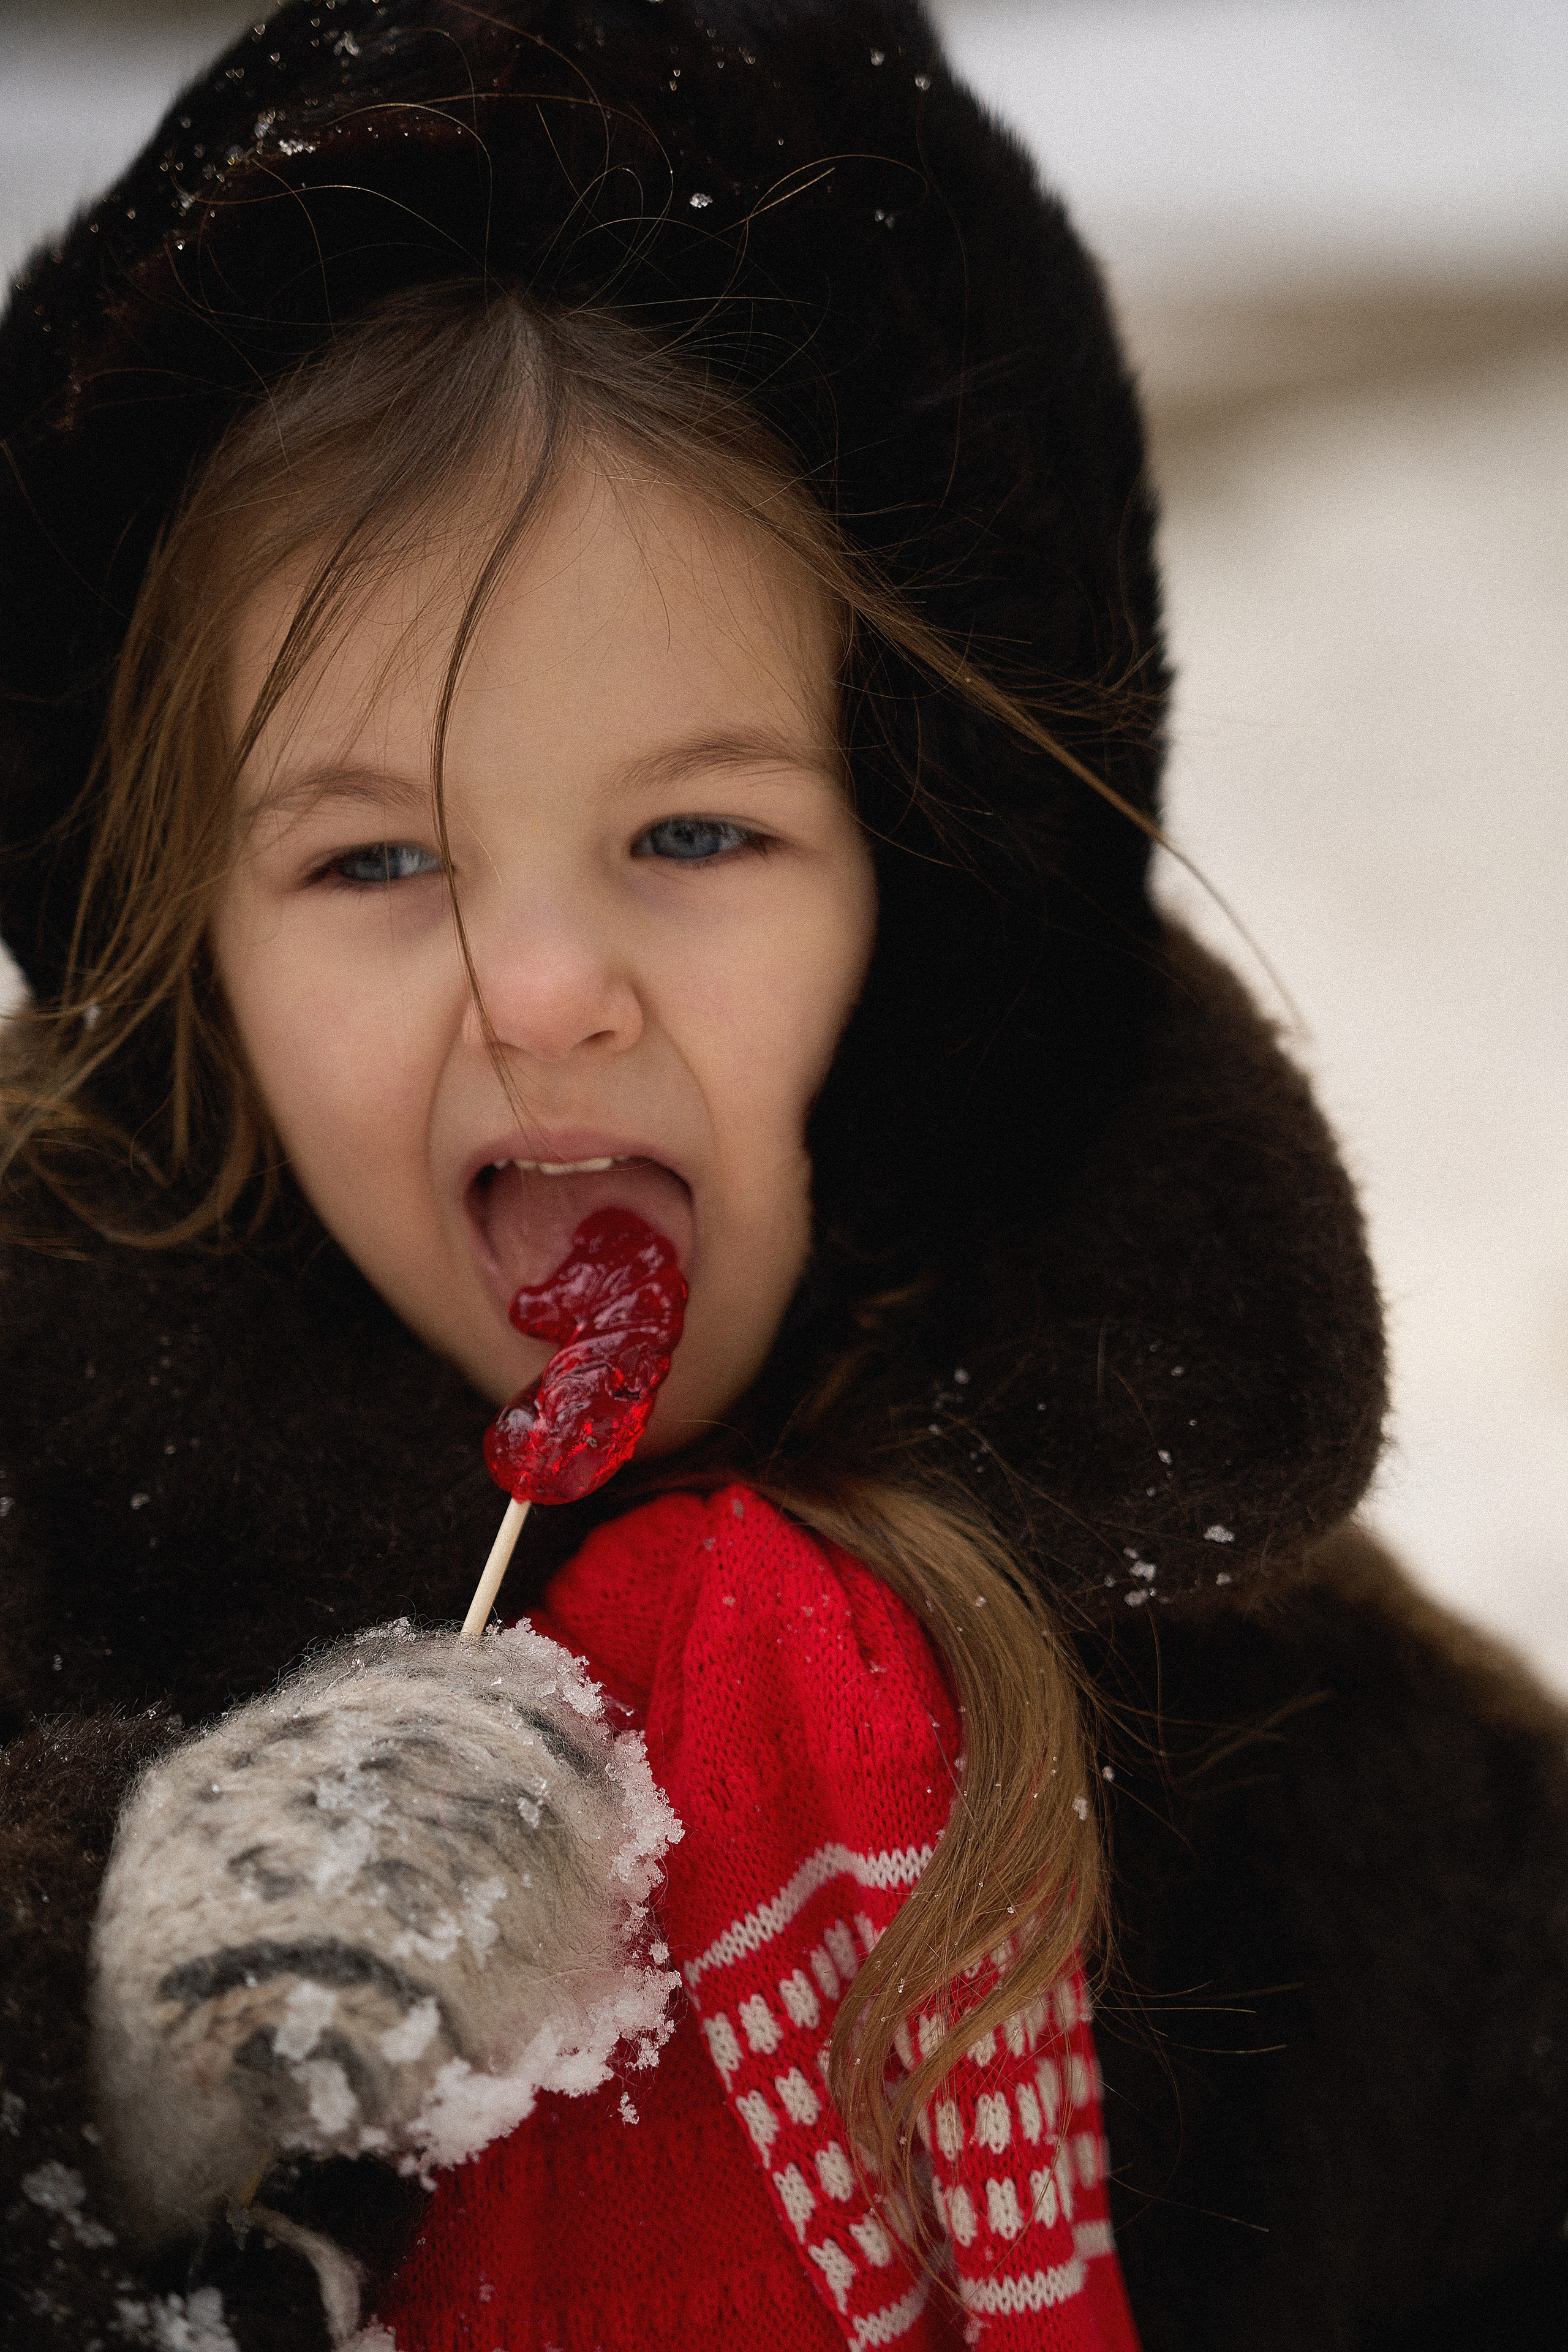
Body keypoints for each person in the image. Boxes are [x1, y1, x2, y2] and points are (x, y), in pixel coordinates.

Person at [1, 4, 1564, 2348]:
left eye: (696, 832)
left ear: (916, 915)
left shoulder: (1315, 1774)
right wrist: (88, 2056)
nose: (546, 989)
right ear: (192, 953)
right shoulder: (38, 1546)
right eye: (374, 858)